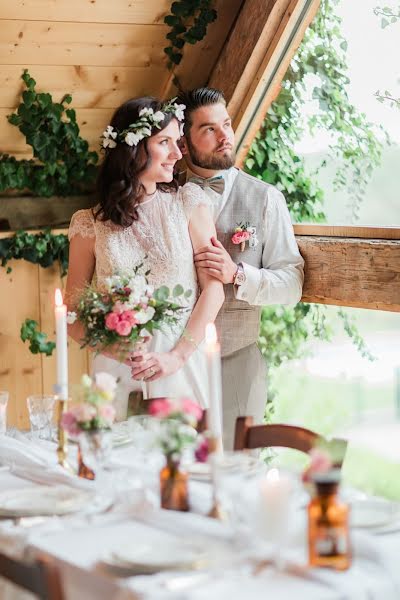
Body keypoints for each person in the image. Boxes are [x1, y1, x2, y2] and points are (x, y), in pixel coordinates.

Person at [65, 96, 224, 419]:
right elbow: (71, 312)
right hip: (116, 372)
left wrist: (177, 357)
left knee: (178, 464)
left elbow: (214, 289)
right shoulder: (89, 224)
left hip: (179, 366)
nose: (178, 154)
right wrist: (115, 349)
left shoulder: (189, 203)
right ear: (134, 150)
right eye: (165, 142)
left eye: (177, 142)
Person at [177, 87, 304, 448]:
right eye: (209, 130)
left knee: (236, 473)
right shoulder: (164, 196)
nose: (225, 137)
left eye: (227, 125)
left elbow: (292, 282)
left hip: (236, 363)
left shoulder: (265, 198)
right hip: (176, 367)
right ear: (183, 144)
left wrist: (238, 275)